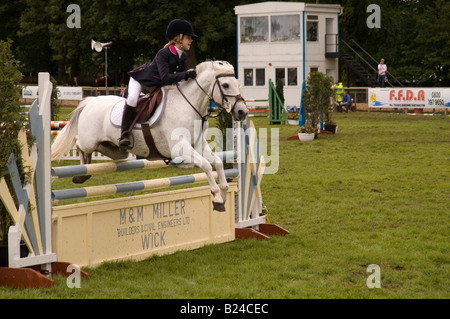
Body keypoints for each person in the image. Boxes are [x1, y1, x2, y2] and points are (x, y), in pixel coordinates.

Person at [118, 19, 198, 149]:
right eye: (189, 37)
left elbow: (182, 79)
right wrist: (186, 74)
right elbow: (166, 78)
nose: (191, 40)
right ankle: (124, 135)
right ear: (179, 38)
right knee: (132, 98)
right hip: (142, 79)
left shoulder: (182, 56)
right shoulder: (163, 53)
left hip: (157, 84)